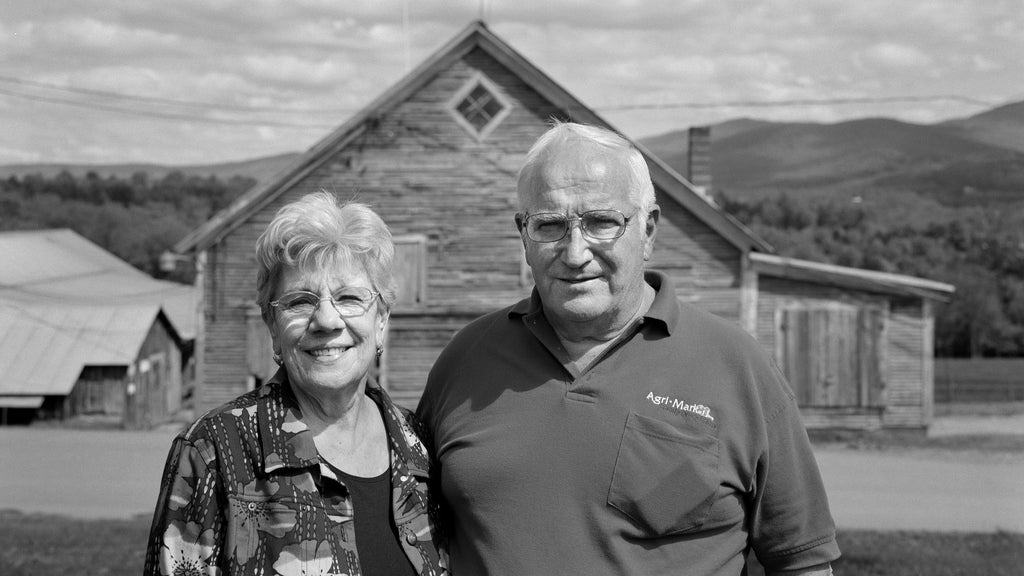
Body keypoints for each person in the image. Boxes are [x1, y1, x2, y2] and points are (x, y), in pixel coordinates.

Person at [416, 122, 840, 575]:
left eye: (601, 222)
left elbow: (803, 563)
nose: (575, 252)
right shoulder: (465, 361)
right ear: (523, 234)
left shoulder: (737, 367)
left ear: (649, 230)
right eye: (550, 225)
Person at [145, 192, 447, 576]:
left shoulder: (421, 448)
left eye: (349, 297)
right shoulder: (214, 451)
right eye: (300, 302)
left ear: (382, 319)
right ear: (272, 326)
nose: (326, 320)